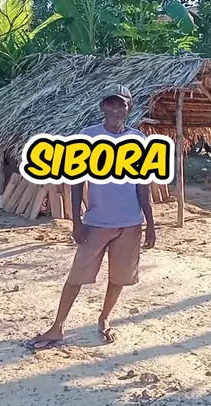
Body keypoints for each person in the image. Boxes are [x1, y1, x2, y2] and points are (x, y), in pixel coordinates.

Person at [30, 84, 156, 349]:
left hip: (130, 223)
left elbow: (143, 187)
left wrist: (151, 225)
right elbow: (77, 183)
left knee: (119, 277)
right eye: (111, 103)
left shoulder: (139, 140)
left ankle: (104, 318)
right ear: (102, 106)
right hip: (96, 223)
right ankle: (57, 327)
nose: (115, 109)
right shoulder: (88, 136)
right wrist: (76, 221)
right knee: (77, 276)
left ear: (129, 108)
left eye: (121, 104)